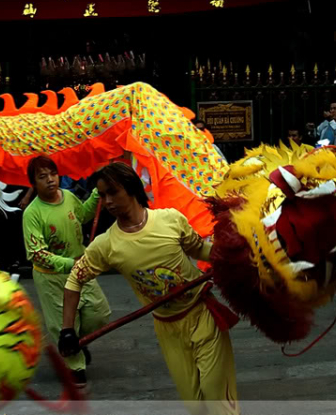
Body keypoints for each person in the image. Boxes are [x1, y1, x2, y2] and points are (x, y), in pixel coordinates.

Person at [58, 162, 239, 415]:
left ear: (131, 188)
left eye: (113, 192)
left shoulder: (170, 219)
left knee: (217, 399)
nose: (107, 201)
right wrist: (67, 330)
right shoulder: (105, 245)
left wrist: (232, 254)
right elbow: (74, 281)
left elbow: (198, 249)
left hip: (202, 314)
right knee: (195, 406)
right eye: (102, 195)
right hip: (167, 328)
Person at [22, 155, 111, 388]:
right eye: (42, 177)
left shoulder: (69, 196)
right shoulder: (32, 214)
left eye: (52, 174)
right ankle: (76, 367)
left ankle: (78, 342)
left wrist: (96, 193)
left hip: (80, 268)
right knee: (64, 325)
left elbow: (83, 215)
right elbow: (37, 253)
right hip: (52, 278)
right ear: (34, 183)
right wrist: (69, 264)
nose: (50, 180)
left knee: (99, 314)